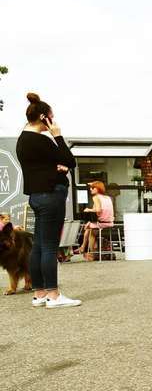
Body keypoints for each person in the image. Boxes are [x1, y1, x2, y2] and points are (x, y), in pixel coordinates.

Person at [15, 92, 81, 308]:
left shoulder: (23, 140)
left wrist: (58, 166)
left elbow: (51, 164)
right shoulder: (41, 140)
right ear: (45, 117)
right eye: (52, 117)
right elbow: (70, 160)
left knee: (39, 246)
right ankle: (54, 295)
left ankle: (40, 293)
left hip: (36, 195)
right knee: (50, 246)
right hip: (51, 195)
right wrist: (58, 135)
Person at [74, 181, 115, 261]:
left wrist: (88, 209)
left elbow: (98, 210)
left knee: (90, 230)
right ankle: (83, 247)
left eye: (92, 188)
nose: (90, 189)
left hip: (102, 223)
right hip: (109, 222)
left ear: (97, 189)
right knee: (89, 226)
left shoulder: (96, 197)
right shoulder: (108, 197)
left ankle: (92, 254)